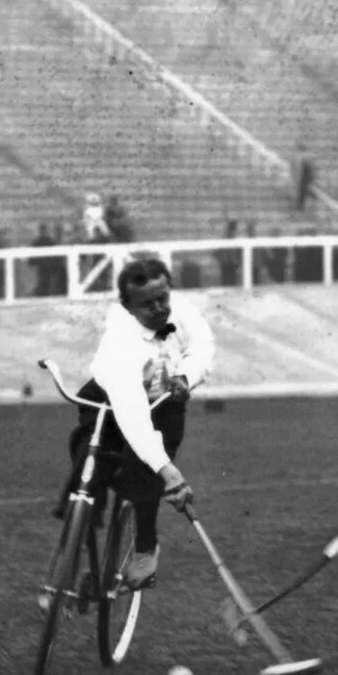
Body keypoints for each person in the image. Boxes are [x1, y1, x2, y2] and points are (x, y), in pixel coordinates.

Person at [53, 255, 213, 596]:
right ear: (127, 307)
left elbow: (202, 347)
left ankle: (145, 547)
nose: (158, 308)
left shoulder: (181, 311)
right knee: (88, 457)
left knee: (142, 468)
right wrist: (169, 470)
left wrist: (186, 375)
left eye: (163, 298)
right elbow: (131, 414)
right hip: (114, 398)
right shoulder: (121, 341)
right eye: (147, 304)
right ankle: (72, 549)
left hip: (164, 402)